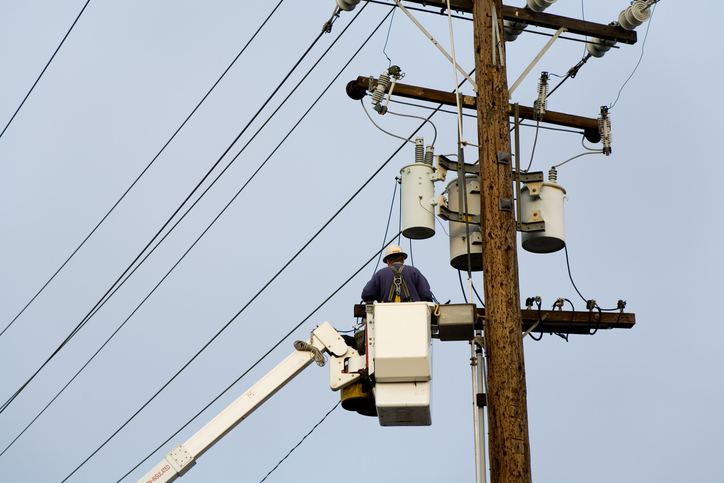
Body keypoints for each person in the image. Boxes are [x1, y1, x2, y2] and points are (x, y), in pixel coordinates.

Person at [361, 244, 432, 303]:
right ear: (403, 260)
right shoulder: (414, 272)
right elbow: (426, 294)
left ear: (388, 261)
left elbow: (366, 294)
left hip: (386, 315)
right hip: (413, 315)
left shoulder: (380, 274)